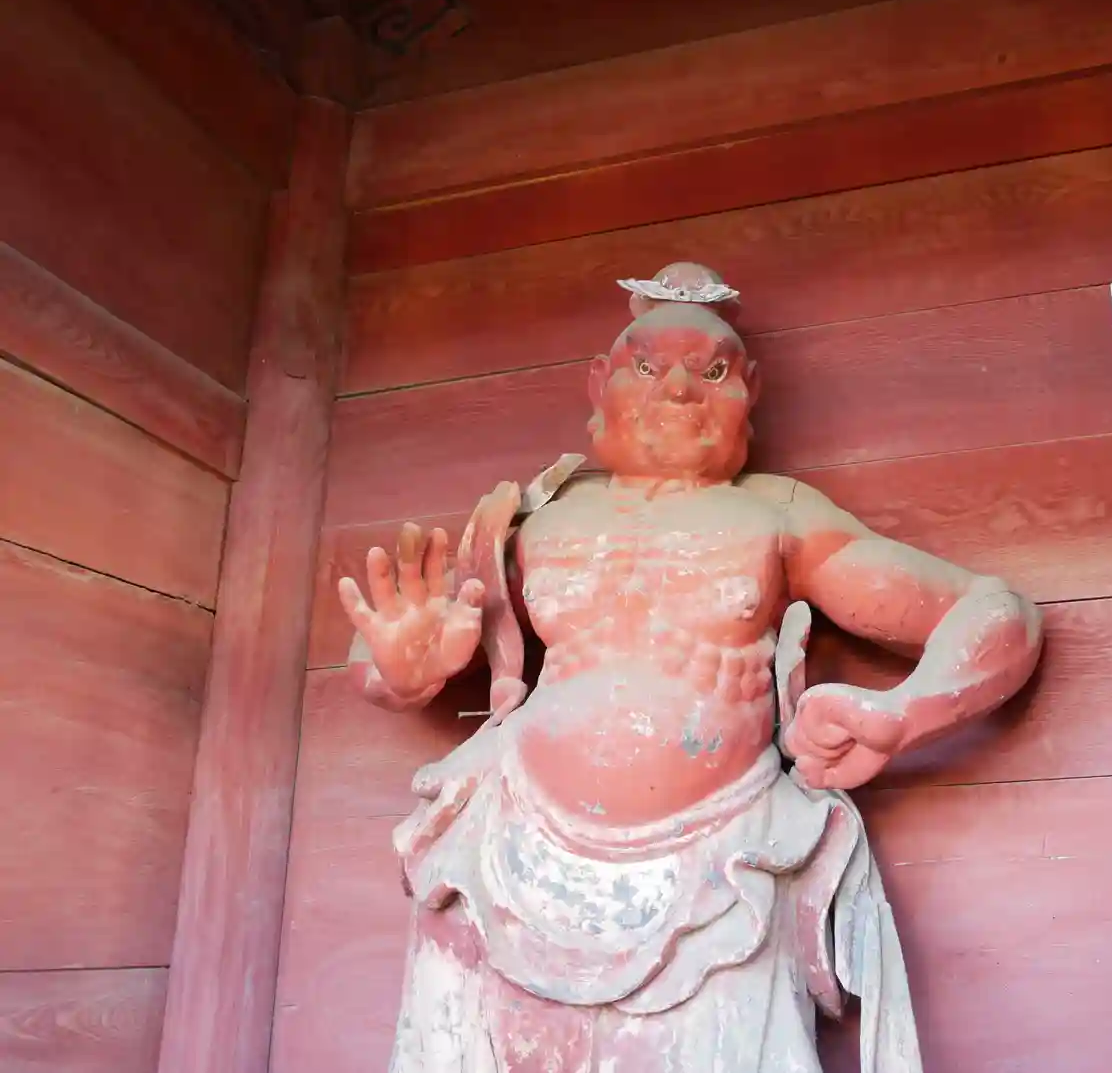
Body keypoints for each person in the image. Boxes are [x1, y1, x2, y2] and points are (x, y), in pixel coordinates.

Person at [338, 262, 1043, 1072]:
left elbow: (997, 613)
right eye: (647, 367)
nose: (677, 390)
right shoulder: (533, 521)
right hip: (510, 851)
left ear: (750, 390)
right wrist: (403, 671)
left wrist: (907, 712)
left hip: (717, 865)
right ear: (599, 382)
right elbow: (383, 649)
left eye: (710, 372)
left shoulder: (776, 515)